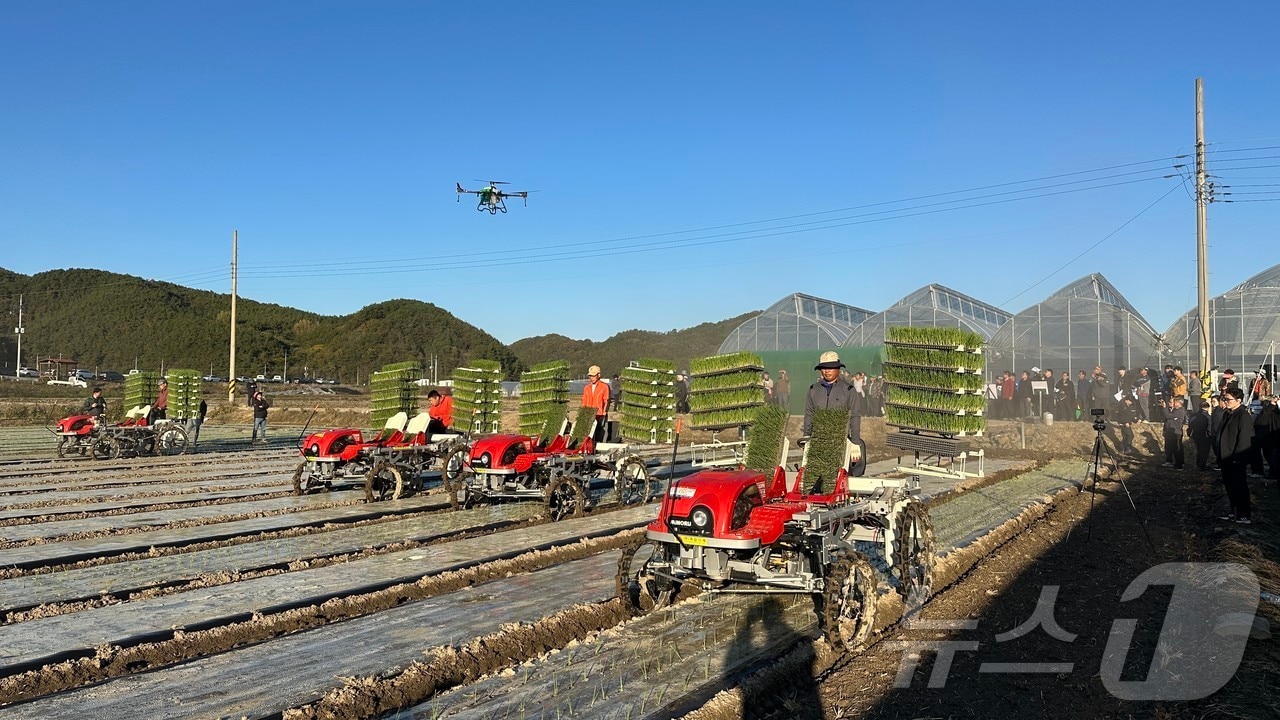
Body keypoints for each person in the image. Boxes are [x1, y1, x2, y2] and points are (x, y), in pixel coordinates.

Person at [802, 352, 864, 473]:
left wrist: (855, 443)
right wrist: (806, 437)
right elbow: (809, 414)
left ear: (838, 369)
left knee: (839, 476)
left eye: (831, 368)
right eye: (824, 368)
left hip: (840, 441)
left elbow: (855, 417)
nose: (827, 371)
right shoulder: (813, 390)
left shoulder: (848, 390)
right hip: (817, 441)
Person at [1216, 387, 1254, 524]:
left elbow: (1244, 439)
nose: (1226, 401)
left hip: (1235, 458)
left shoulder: (1243, 416)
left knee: (1239, 486)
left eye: (1229, 399)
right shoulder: (1228, 414)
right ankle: (1234, 511)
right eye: (1225, 399)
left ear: (1238, 400)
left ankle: (1244, 515)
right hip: (1225, 456)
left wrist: (1238, 458)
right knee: (1229, 486)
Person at [581, 365, 610, 443]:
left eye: (594, 376)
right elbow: (584, 401)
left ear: (599, 375)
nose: (592, 378)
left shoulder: (604, 387)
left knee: (601, 435)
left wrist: (604, 414)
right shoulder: (586, 388)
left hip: (600, 414)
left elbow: (606, 401)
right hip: (589, 415)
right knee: (589, 436)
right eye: (590, 376)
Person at [1162, 396, 1187, 469]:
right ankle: (1170, 461)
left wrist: (1164, 408)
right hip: (1170, 431)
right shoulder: (1175, 410)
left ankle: (1179, 464)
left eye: (1174, 402)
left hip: (1176, 432)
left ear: (1179, 403)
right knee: (1170, 447)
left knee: (1177, 449)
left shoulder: (1180, 411)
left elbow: (1168, 416)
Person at [1188, 400, 1212, 471]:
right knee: (1204, 451)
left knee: (1199, 450)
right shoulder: (1208, 417)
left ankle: (1198, 463)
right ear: (1207, 408)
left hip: (1196, 435)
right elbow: (1209, 427)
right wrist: (1210, 435)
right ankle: (1202, 465)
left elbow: (1190, 424)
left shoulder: (1193, 416)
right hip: (1205, 436)